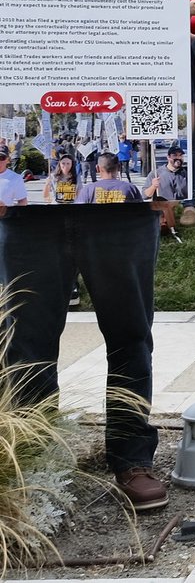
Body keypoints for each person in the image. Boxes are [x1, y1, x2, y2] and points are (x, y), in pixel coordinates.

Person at [0, 138, 166, 509]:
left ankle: (132, 458)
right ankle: (33, 462)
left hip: (125, 219)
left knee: (131, 336)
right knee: (26, 343)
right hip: (25, 221)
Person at [75, 153, 143, 204]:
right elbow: (142, 214)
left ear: (98, 168)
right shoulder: (131, 189)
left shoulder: (87, 190)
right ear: (119, 167)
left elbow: (77, 214)